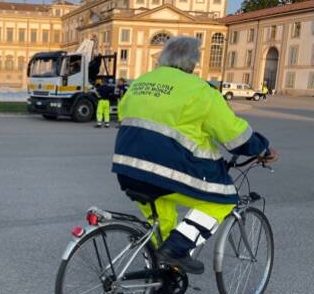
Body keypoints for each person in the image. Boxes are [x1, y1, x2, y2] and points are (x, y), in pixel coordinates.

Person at [112, 37, 278, 274]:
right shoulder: (199, 90)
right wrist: (263, 149)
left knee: (162, 225)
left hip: (128, 168)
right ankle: (176, 251)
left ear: (162, 58)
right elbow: (235, 136)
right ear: (193, 62)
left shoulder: (140, 82)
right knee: (222, 201)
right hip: (169, 170)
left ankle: (159, 277)